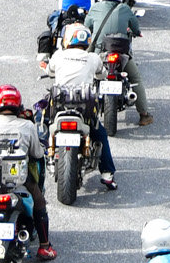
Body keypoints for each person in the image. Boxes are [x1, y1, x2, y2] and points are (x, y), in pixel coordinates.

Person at [0, 84, 56, 262]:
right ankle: (44, 247)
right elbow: (37, 154)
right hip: (18, 179)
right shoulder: (27, 126)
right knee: (39, 201)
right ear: (18, 106)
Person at [41, 23, 116, 190]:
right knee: (100, 134)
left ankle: (42, 155)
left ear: (67, 39)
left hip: (59, 106)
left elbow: (50, 72)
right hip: (85, 109)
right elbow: (102, 74)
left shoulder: (59, 56)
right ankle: (107, 174)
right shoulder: (93, 58)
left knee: (41, 123)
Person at [85, 0, 152, 126]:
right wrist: (137, 32)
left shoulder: (95, 8)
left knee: (87, 77)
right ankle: (144, 115)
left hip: (99, 53)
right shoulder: (125, 8)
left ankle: (82, 110)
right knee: (135, 79)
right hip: (121, 54)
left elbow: (86, 27)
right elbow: (135, 27)